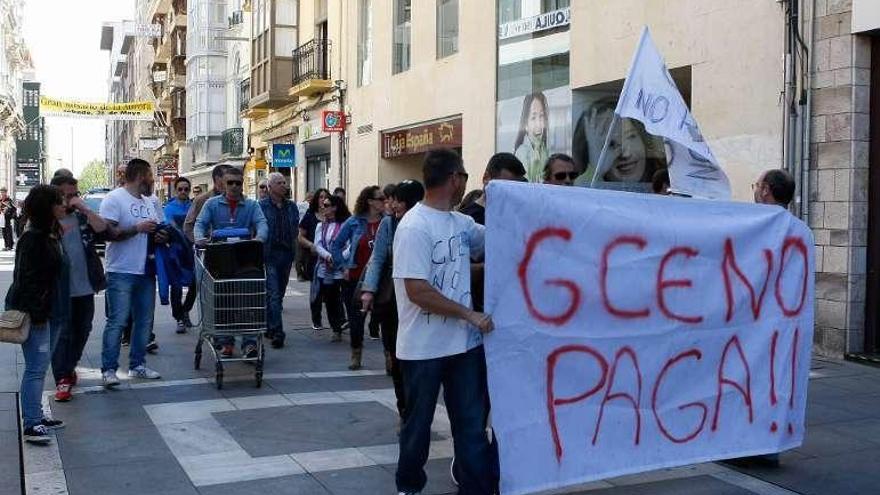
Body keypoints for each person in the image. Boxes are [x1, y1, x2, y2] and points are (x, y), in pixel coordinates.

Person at [393, 149, 496, 495]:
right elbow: (417, 291)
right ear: (455, 179)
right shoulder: (413, 226)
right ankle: (409, 487)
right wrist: (469, 314)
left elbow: (499, 240)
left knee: (470, 426)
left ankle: (477, 489)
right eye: (464, 176)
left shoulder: (460, 223)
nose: (464, 182)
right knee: (417, 428)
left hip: (464, 347)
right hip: (423, 350)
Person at [6, 185, 67, 443]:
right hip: (37, 313)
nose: (64, 206)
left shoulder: (49, 233)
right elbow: (26, 279)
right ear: (48, 207)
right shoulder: (33, 238)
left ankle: (37, 415)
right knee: (36, 368)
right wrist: (39, 313)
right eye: (59, 202)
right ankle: (31, 423)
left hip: (50, 310)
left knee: (40, 368)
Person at [360, 179, 424, 417]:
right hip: (393, 301)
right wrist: (368, 290)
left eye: (397, 200)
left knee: (415, 359)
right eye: (391, 199)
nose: (392, 205)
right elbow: (377, 259)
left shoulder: (426, 222)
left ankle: (415, 407)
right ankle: (405, 410)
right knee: (397, 358)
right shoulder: (389, 224)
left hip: (420, 302)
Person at [99, 159, 165, 388]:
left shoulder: (150, 202)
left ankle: (137, 365)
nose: (153, 180)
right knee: (117, 321)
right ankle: (108, 369)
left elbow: (160, 228)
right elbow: (107, 233)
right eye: (150, 175)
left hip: (146, 270)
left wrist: (160, 235)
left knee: (144, 321)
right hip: (121, 270)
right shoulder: (114, 199)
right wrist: (137, 229)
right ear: (140, 175)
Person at [194, 166, 269, 358]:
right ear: (223, 185)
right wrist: (199, 238)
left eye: (238, 183)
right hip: (219, 259)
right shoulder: (212, 204)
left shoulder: (252, 206)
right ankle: (224, 342)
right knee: (221, 300)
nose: (234, 186)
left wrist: (260, 238)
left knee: (248, 301)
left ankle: (249, 343)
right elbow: (200, 224)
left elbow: (262, 223)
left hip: (245, 258)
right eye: (230, 183)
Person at [49, 175, 107, 402]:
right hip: (59, 289)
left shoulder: (81, 218)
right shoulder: (46, 222)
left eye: (75, 194)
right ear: (56, 195)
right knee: (62, 335)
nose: (71, 199)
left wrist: (85, 208)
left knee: (83, 329)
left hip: (85, 286)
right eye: (67, 195)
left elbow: (103, 228)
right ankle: (62, 377)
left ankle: (69, 366)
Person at [460, 153, 526, 316]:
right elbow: (458, 270)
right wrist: (489, 268)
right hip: (478, 314)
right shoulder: (465, 220)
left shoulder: (517, 218)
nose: (508, 193)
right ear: (486, 178)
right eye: (503, 186)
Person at [330, 185, 386, 370]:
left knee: (386, 320)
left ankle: (390, 357)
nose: (384, 201)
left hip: (382, 279)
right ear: (370, 201)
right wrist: (343, 266)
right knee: (356, 321)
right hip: (355, 278)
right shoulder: (354, 222)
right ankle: (356, 354)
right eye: (381, 198)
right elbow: (336, 245)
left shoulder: (388, 222)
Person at [259, 172, 299, 349]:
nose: (285, 185)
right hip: (269, 255)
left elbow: (295, 231)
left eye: (285, 182)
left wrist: (297, 255)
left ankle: (269, 325)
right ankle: (277, 332)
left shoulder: (291, 207)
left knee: (278, 294)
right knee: (273, 293)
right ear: (271, 187)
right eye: (280, 183)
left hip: (286, 254)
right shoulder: (261, 207)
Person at [311, 194, 349, 341]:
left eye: (326, 205)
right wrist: (328, 256)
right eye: (322, 204)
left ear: (335, 207)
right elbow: (317, 245)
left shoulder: (346, 225)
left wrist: (339, 258)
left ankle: (348, 322)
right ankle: (336, 328)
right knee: (330, 300)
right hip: (325, 269)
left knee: (346, 299)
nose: (322, 207)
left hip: (342, 269)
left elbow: (351, 246)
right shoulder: (321, 225)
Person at [164, 177, 196, 333]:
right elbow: (170, 227)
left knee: (195, 284)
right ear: (175, 190)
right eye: (180, 189)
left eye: (186, 189)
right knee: (176, 286)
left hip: (192, 251)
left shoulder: (194, 206)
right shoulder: (169, 208)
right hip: (176, 252)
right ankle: (179, 318)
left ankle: (185, 310)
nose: (183, 192)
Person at [459, 152, 526, 226]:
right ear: (486, 178)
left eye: (516, 188)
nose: (510, 192)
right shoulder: (463, 221)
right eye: (505, 186)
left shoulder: (516, 219)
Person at [299, 188, 331, 330]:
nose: (323, 200)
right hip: (314, 258)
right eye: (320, 197)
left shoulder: (333, 215)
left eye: (326, 197)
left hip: (330, 259)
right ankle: (316, 319)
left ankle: (336, 320)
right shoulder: (310, 215)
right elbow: (300, 237)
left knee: (331, 290)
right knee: (317, 290)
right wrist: (311, 245)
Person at [183, 164, 234, 243]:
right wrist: (199, 241)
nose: (233, 183)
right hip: (211, 248)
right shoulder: (202, 200)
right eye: (229, 178)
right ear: (217, 179)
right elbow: (188, 226)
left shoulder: (240, 199)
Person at [514, 92, 550, 182]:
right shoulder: (522, 153)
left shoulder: (545, 151)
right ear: (525, 124)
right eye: (533, 118)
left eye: (541, 116)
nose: (538, 124)